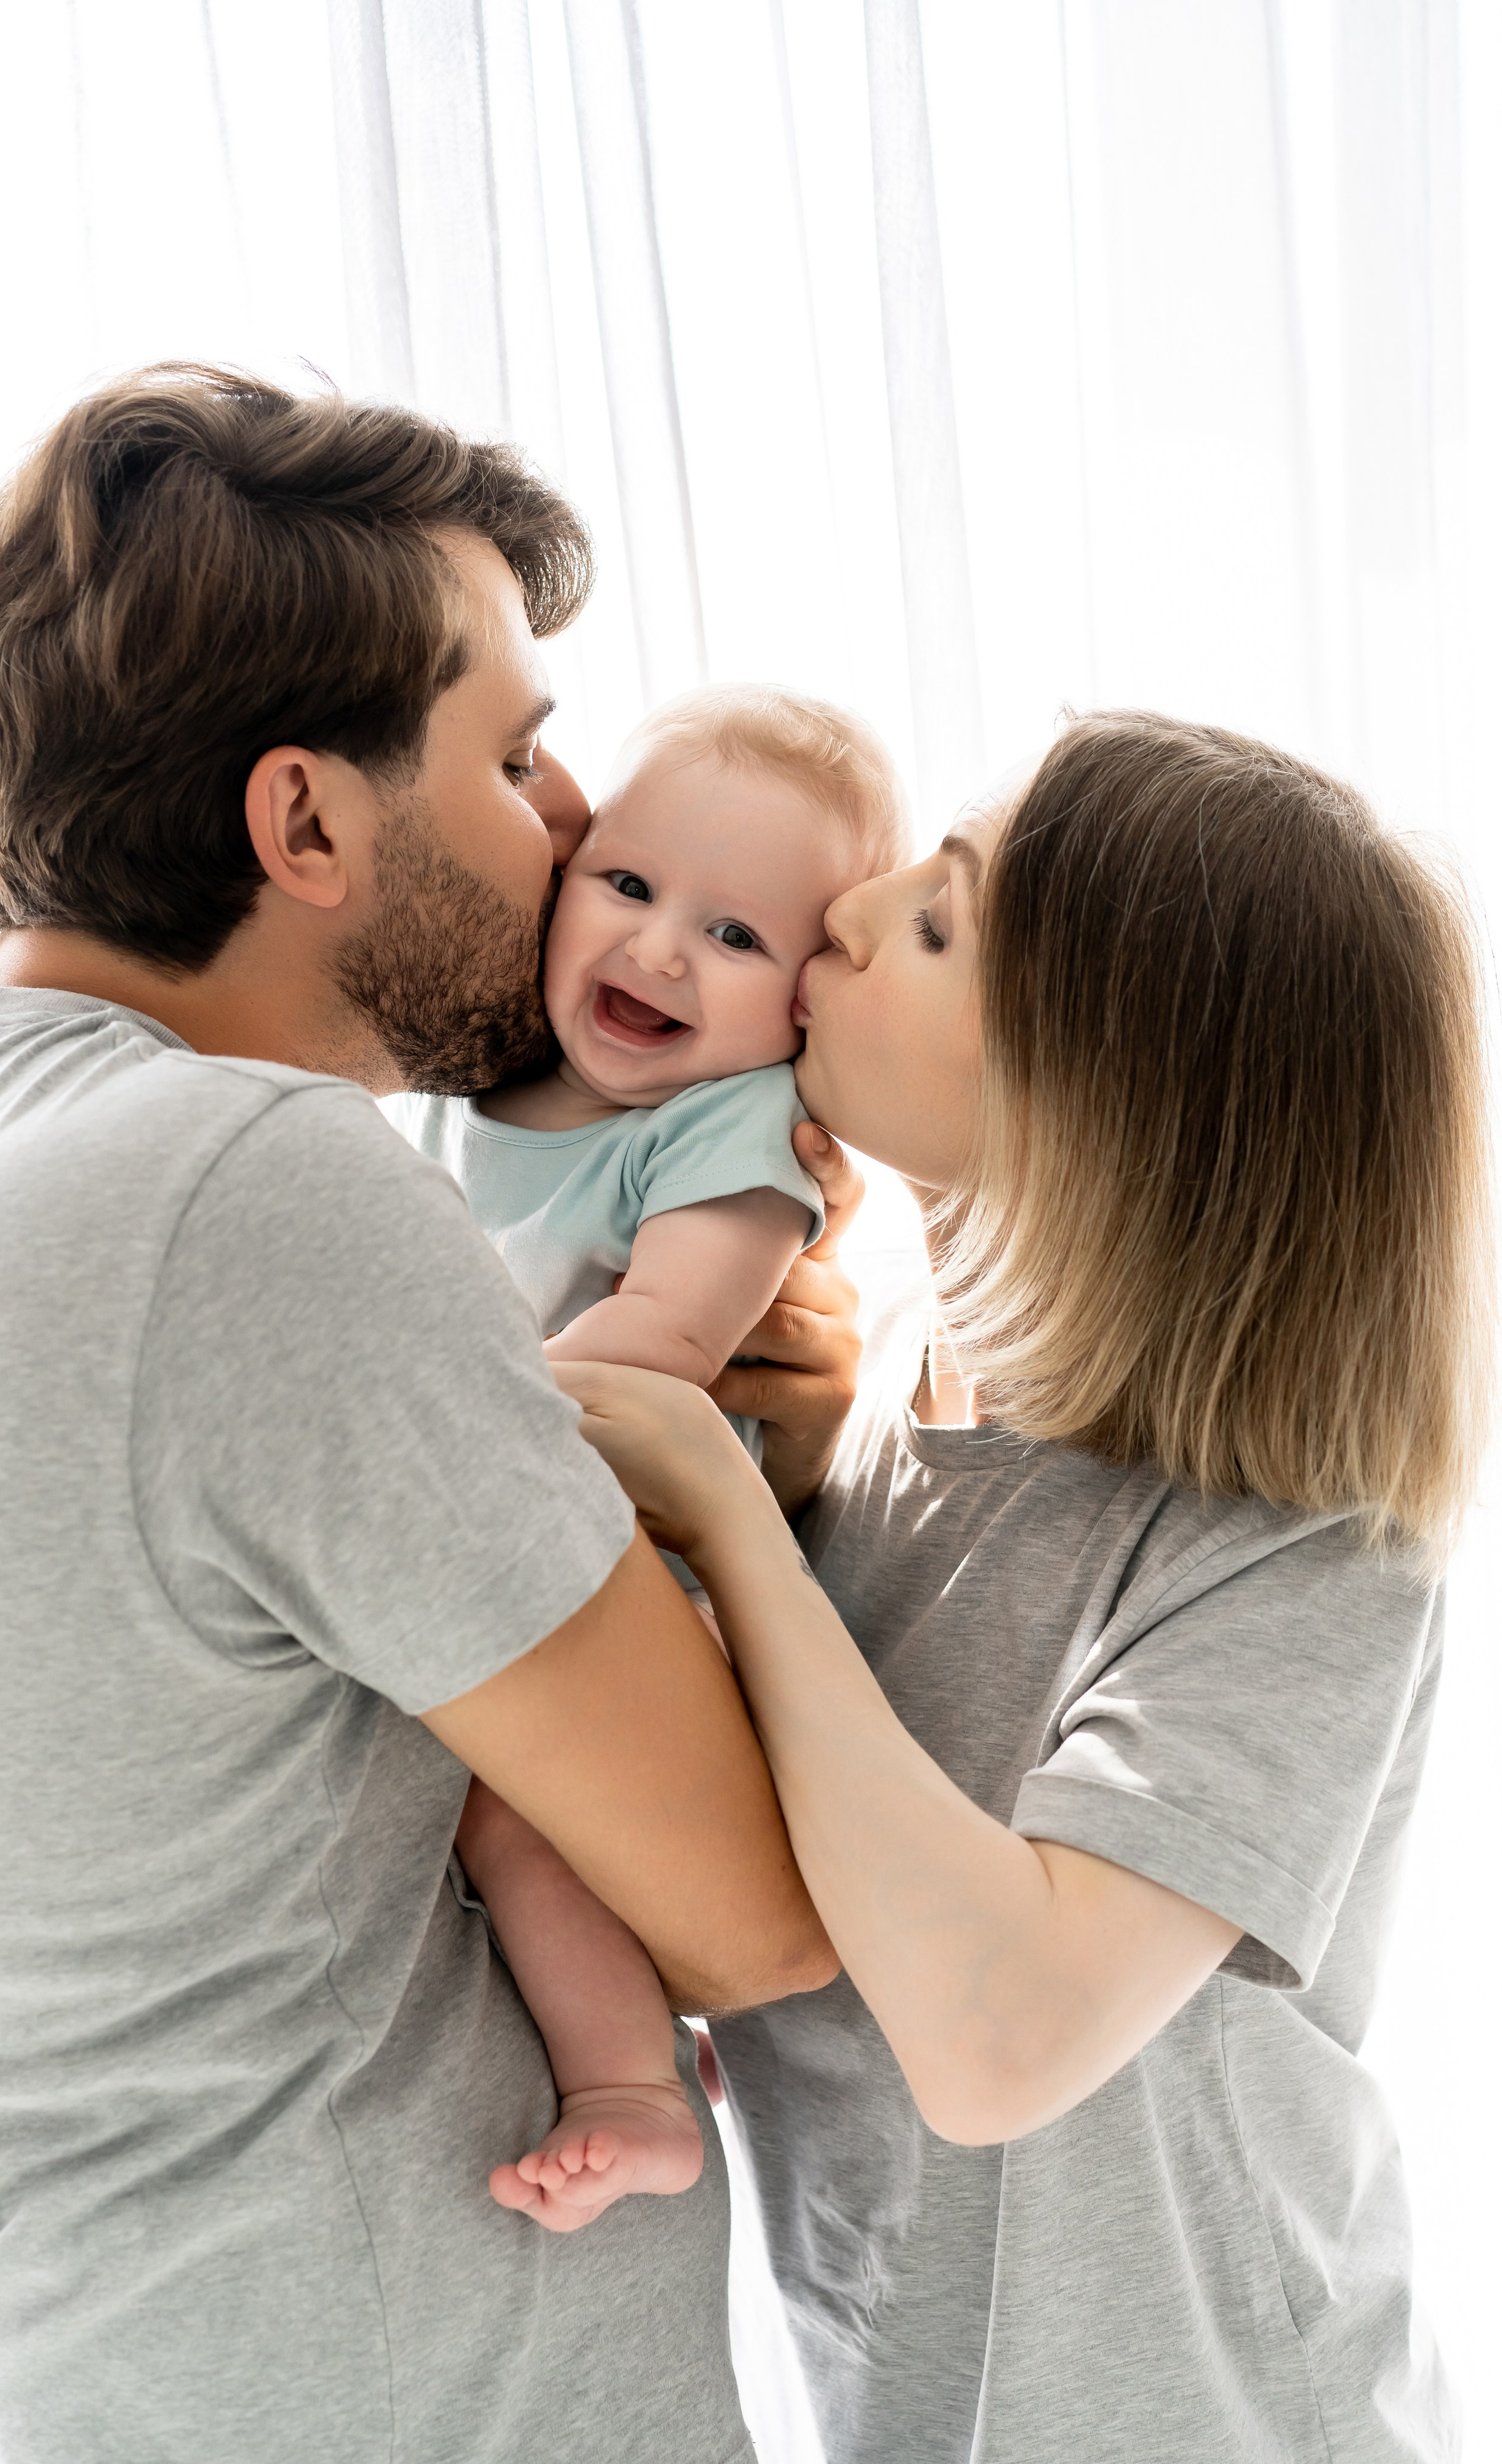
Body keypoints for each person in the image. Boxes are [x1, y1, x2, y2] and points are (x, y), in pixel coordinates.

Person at [0, 364, 853, 2464]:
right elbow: (752, 1914)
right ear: (305, 821)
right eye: (514, 752)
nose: (572, 822)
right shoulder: (255, 1195)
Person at [558, 712, 1494, 2463]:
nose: (849, 911)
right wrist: (780, 1498)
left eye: (933, 923)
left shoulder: (1306, 1552)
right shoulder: (872, 1403)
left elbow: (997, 2042)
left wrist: (737, 1530)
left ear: (1107, 1110)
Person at [406, 685, 908, 2229]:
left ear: (803, 1011)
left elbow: (662, 1344)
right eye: (627, 884)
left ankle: (632, 2086)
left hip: (646, 1585)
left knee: (507, 1817)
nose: (660, 949)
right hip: (498, 1541)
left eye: (735, 935)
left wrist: (401, 1413)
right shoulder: (477, 1088)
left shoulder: (731, 1129)